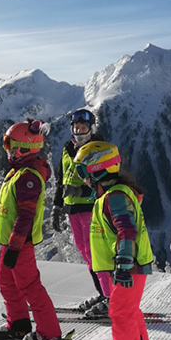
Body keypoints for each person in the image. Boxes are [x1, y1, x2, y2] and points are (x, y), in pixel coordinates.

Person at [73, 141, 165, 340]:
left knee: (120, 312)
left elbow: (126, 229)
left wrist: (123, 263)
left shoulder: (114, 197)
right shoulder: (114, 194)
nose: (80, 177)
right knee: (130, 311)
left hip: (129, 266)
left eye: (82, 171)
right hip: (130, 265)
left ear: (97, 169)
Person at [0, 119, 71, 340]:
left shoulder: (29, 177)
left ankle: (49, 334)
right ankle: (19, 325)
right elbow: (7, 213)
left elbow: (25, 217)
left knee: (30, 287)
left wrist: (13, 247)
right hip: (9, 243)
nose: (9, 150)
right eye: (7, 146)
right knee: (6, 283)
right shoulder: (17, 172)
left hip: (20, 245)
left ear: (25, 146)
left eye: (12, 146)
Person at [51, 108, 109, 317]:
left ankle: (111, 297)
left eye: (83, 127)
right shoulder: (68, 150)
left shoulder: (98, 149)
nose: (79, 131)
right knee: (86, 253)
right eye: (76, 127)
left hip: (92, 207)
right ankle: (103, 294)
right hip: (73, 209)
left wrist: (81, 189)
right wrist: (57, 207)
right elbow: (61, 181)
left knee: (97, 254)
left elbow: (107, 180)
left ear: (91, 129)